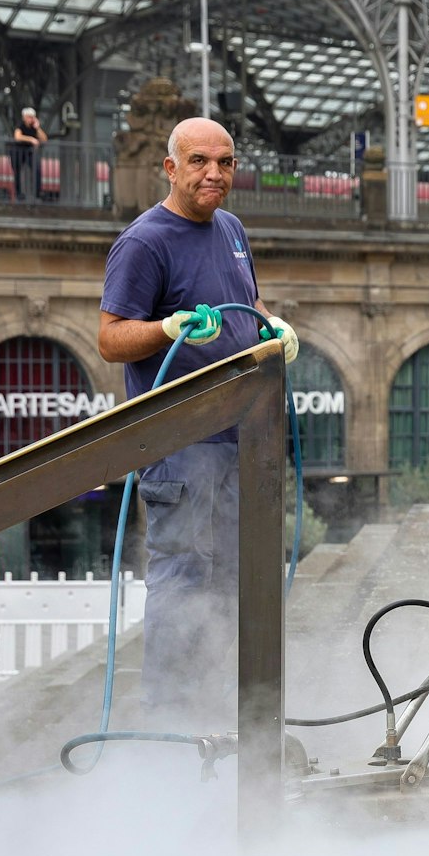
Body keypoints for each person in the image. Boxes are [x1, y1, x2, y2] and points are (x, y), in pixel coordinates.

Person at [97, 117, 299, 725]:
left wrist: (270, 325)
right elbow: (110, 338)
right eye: (199, 161)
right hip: (181, 444)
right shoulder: (144, 242)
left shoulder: (232, 229)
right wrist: (168, 328)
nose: (214, 173)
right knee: (184, 575)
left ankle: (214, 706)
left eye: (226, 162)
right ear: (171, 168)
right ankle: (167, 719)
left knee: (233, 579)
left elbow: (247, 298)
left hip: (242, 438)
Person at [10, 107, 46, 202]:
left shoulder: (34, 127)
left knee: (36, 169)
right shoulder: (20, 125)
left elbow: (44, 138)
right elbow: (17, 136)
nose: (31, 119)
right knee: (17, 172)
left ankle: (38, 192)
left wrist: (38, 128)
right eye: (29, 117)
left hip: (29, 151)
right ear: (24, 117)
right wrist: (31, 139)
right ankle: (18, 193)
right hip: (18, 151)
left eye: (32, 117)